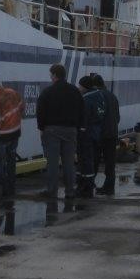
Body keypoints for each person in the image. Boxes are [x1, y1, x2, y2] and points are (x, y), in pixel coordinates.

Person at [36, 63, 84, 199]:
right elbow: (82, 109)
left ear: (55, 75)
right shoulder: (75, 91)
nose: (50, 77)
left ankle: (52, 191)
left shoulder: (48, 92)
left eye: (51, 74)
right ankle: (70, 191)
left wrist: (41, 127)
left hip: (52, 130)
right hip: (71, 130)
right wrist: (78, 126)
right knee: (69, 162)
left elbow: (40, 111)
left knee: (52, 163)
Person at [76, 75, 105, 198]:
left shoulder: (86, 99)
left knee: (85, 160)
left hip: (86, 133)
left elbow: (83, 118)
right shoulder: (100, 96)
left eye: (80, 86)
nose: (79, 88)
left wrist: (80, 131)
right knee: (91, 159)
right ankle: (88, 183)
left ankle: (85, 186)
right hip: (96, 132)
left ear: (84, 86)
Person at [92, 73, 120, 195]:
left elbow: (96, 116)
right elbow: (117, 117)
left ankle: (89, 184)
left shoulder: (97, 96)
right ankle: (109, 187)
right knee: (110, 162)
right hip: (112, 133)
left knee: (94, 161)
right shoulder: (113, 96)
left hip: (100, 134)